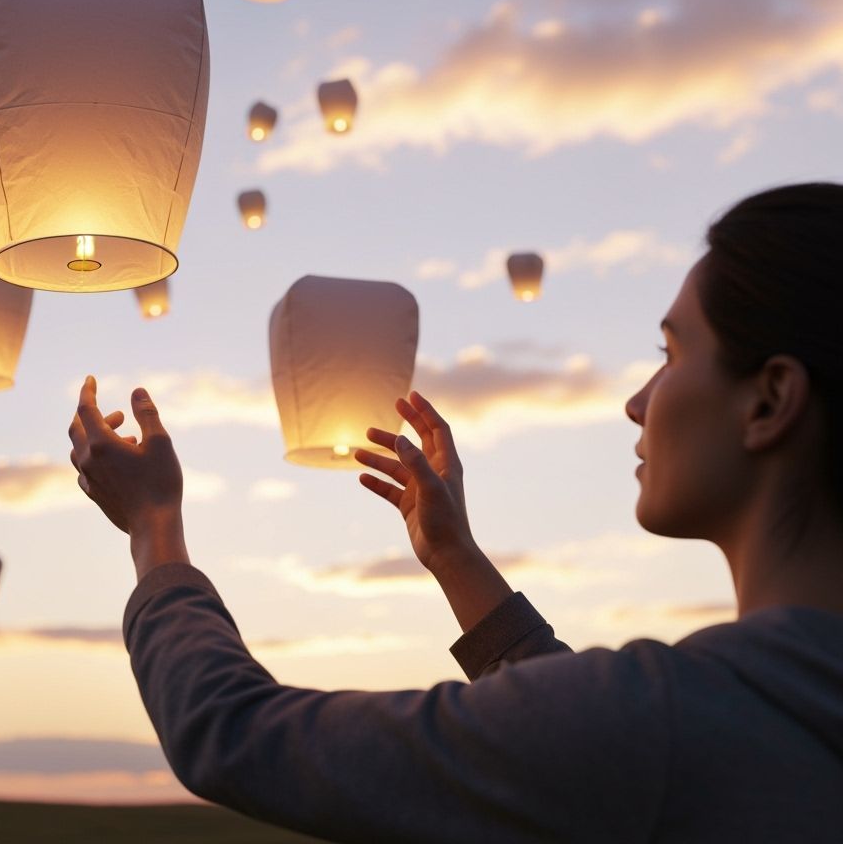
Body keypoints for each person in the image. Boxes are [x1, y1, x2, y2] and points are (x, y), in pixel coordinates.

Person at [69, 182, 843, 843]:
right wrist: (456, 558)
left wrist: (154, 529)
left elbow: (235, 736)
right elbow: (601, 752)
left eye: (671, 356)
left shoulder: (665, 728)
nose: (637, 403)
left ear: (771, 399)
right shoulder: (737, 718)